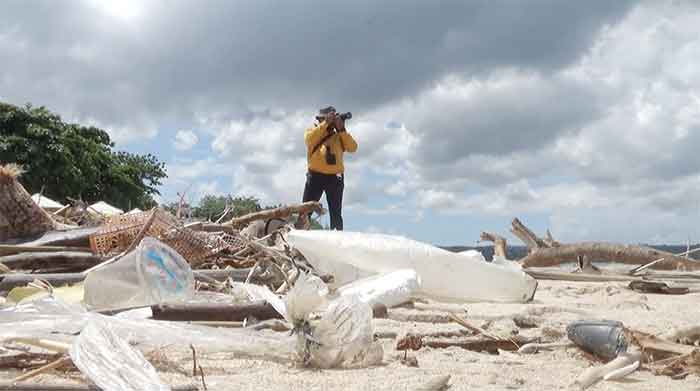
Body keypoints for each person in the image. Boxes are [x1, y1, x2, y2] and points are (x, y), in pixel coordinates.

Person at [302, 106, 357, 230]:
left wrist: (342, 129)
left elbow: (353, 148)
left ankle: (337, 238)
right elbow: (308, 140)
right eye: (328, 118)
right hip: (315, 176)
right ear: (321, 119)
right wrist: (325, 124)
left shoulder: (339, 135)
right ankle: (300, 234)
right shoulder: (313, 130)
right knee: (305, 211)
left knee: (336, 213)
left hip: (335, 178)